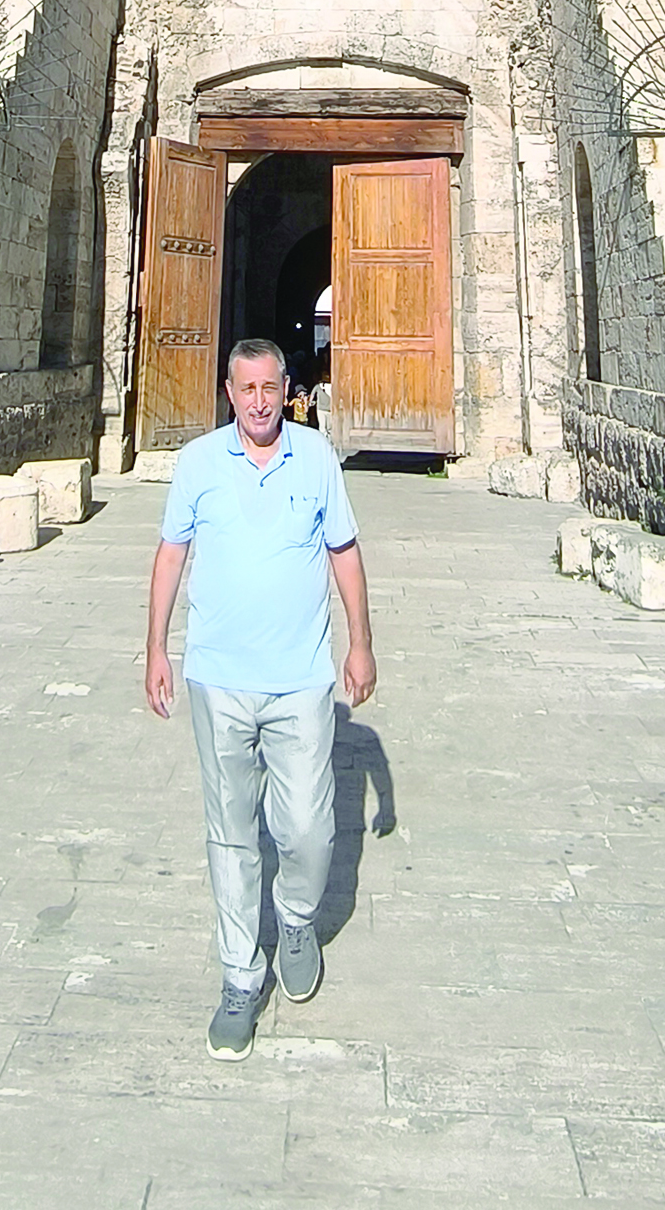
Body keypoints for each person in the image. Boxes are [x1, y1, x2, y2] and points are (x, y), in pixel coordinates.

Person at [145, 336, 376, 1060]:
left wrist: (360, 641)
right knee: (230, 832)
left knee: (307, 829)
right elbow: (171, 551)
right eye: (245, 389)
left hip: (302, 677)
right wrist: (155, 646)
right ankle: (241, 977)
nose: (257, 401)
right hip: (217, 674)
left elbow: (343, 549)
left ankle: (298, 916)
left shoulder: (314, 457)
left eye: (269, 388)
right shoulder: (197, 463)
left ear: (287, 390)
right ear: (228, 392)